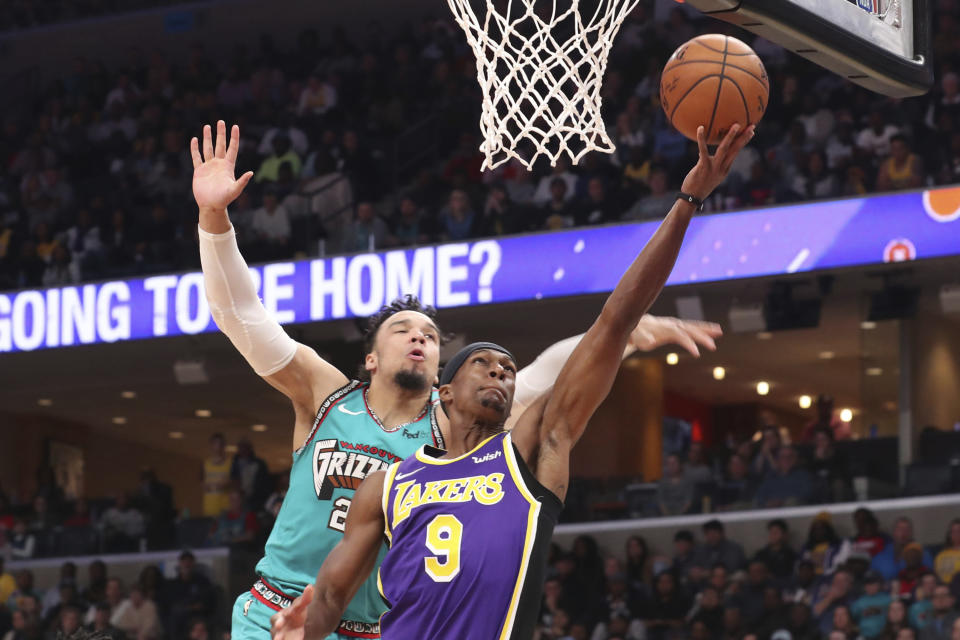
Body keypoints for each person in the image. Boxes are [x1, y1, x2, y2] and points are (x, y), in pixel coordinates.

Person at [191, 121, 723, 640]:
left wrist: (632, 331)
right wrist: (214, 218)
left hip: (377, 628)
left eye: (430, 334)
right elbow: (242, 315)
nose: (420, 338)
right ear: (371, 360)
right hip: (278, 607)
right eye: (402, 330)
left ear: (444, 378)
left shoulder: (451, 433)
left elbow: (546, 375)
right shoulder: (326, 393)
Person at [851, 571, 893, 639]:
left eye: (873, 583)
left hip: (883, 636)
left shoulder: (888, 600)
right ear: (864, 586)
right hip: (863, 636)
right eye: (867, 583)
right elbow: (851, 620)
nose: (870, 586)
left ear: (879, 584)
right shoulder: (859, 602)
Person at [202, 433, 231, 517]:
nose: (218, 446)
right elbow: (202, 483)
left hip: (225, 507)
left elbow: (234, 483)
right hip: (209, 507)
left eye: (221, 444)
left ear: (224, 446)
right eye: (215, 443)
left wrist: (226, 485)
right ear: (211, 445)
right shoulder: (205, 464)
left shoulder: (230, 463)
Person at [934, 520, 960, 585]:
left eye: (958, 531)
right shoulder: (941, 555)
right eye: (953, 531)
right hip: (942, 588)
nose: (956, 534)